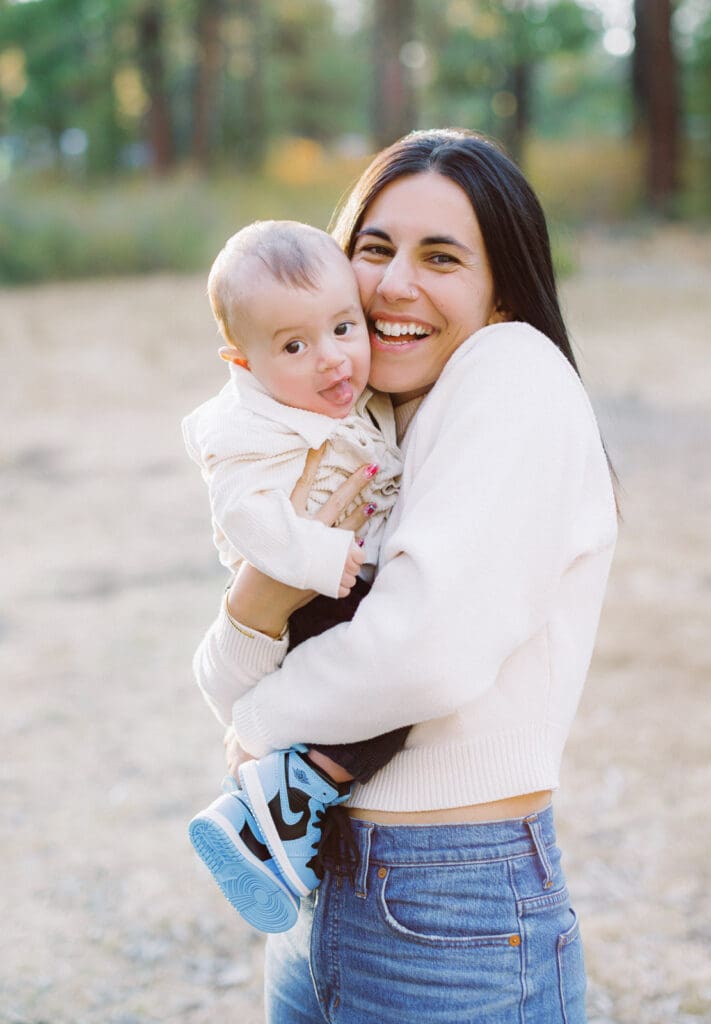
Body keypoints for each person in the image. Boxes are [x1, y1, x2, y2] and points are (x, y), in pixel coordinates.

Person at [191, 128, 618, 1024]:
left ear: (502, 288)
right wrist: (265, 601)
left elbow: (423, 651)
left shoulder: (511, 371)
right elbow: (230, 675)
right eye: (375, 249)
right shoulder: (355, 421)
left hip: (446, 895)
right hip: (320, 886)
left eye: (442, 257)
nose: (394, 284)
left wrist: (260, 723)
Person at [183, 220, 410, 932]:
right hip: (314, 597)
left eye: (344, 328)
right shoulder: (247, 428)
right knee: (388, 701)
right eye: (294, 346)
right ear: (243, 363)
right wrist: (317, 556)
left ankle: (265, 817)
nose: (332, 360)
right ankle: (289, 794)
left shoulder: (340, 398)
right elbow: (249, 517)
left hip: (334, 588)